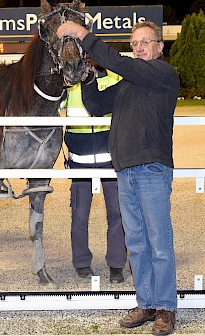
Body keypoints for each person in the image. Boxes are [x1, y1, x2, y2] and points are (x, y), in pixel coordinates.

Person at [57, 20, 179, 335]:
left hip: (152, 168)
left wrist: (84, 36)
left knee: (159, 243)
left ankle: (166, 308)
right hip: (124, 170)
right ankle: (146, 302)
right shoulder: (127, 84)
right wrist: (87, 79)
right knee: (136, 242)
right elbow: (96, 106)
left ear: (159, 47)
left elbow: (119, 63)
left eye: (145, 42)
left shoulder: (163, 75)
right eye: (135, 42)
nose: (139, 47)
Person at [63, 63, 127, 284]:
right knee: (79, 215)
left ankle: (117, 265)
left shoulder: (114, 79)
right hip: (79, 161)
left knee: (117, 214)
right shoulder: (70, 87)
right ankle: (81, 263)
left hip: (110, 160)